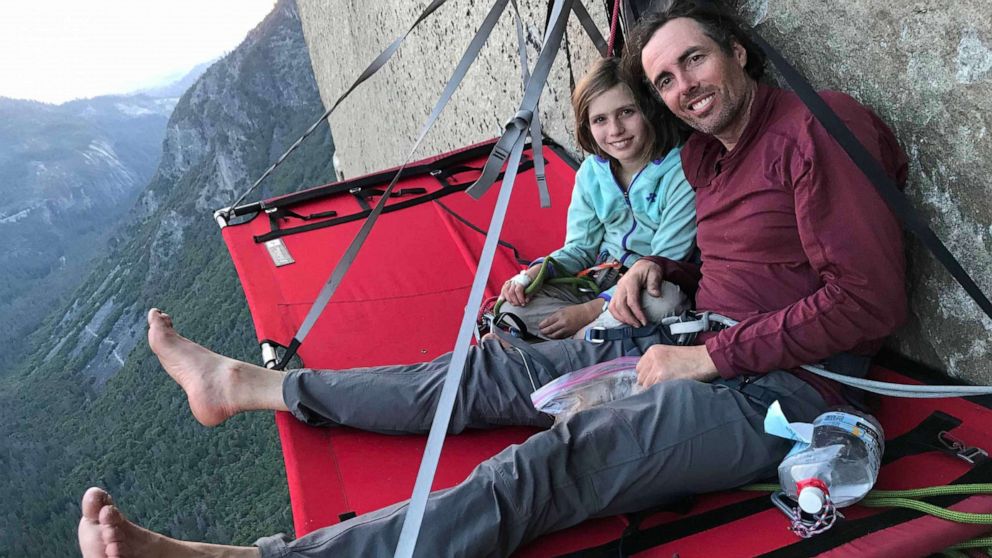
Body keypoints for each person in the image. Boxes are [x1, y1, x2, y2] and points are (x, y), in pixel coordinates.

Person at [78, 1, 909, 557]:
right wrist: (665, 265)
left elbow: (866, 303)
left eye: (693, 61)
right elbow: (743, 259)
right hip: (688, 334)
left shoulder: (818, 129)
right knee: (486, 372)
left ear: (736, 51)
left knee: (544, 468)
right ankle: (251, 387)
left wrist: (707, 360)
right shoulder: (707, 155)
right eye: (664, 80)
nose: (682, 89)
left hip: (786, 391)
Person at [495, 56, 696, 340]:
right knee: (512, 308)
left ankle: (577, 342)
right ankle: (589, 341)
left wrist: (590, 311)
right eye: (600, 119)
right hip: (598, 278)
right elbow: (581, 248)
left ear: (649, 110)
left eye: (627, 112)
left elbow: (666, 258)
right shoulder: (591, 173)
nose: (615, 130)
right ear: (587, 126)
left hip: (651, 281)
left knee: (668, 302)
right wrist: (539, 270)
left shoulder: (681, 170)